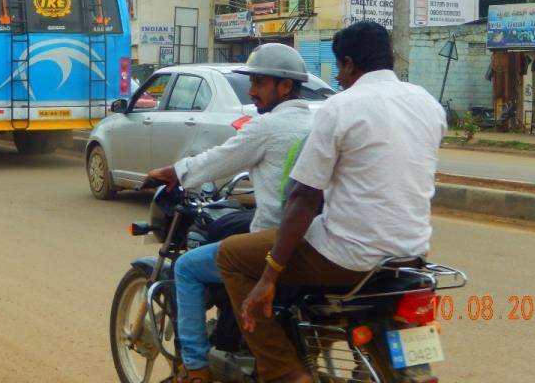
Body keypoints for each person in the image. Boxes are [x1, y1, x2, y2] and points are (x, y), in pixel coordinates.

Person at [216, 22, 447, 383]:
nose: (338, 77)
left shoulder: (339, 107)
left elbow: (305, 197)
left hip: (348, 257)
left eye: (339, 68)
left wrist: (270, 273)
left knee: (230, 254)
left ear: (351, 64)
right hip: (410, 253)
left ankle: (284, 371)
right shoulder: (428, 105)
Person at [144, 43, 317, 383]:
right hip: (312, 240)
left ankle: (195, 368)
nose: (252, 91)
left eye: (259, 83)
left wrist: (173, 172)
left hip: (272, 240)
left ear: (285, 86)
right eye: (251, 83)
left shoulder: (267, 127)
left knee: (188, 267)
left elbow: (218, 160)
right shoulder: (314, 124)